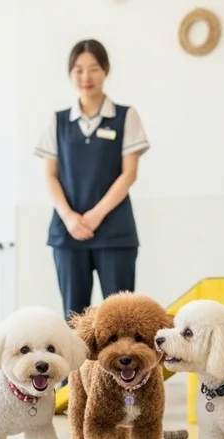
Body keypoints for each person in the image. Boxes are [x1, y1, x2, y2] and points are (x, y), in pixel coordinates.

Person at [34, 38, 148, 325]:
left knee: (122, 320)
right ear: (70, 73)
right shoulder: (58, 121)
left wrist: (96, 215)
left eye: (94, 68)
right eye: (78, 70)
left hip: (115, 231)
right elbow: (50, 176)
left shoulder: (126, 116)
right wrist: (70, 218)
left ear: (106, 70)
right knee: (75, 320)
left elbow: (129, 174)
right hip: (68, 233)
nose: (86, 77)